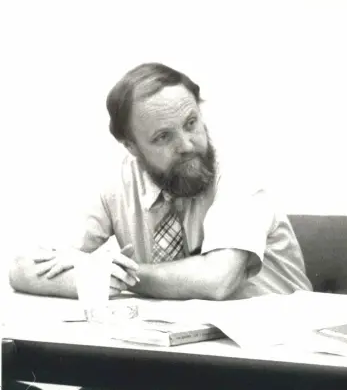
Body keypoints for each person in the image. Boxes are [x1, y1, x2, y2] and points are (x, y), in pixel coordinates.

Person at [7, 63, 311, 301]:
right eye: (163, 137)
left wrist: (120, 275)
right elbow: (23, 268)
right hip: (178, 351)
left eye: (191, 123)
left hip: (279, 353)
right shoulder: (115, 182)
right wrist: (93, 275)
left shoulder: (239, 172)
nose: (187, 145)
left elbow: (217, 279)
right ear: (132, 147)